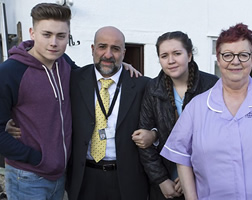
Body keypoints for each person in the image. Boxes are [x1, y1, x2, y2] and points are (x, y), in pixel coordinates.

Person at [160, 23, 252, 200]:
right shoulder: (197, 107)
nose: (235, 61)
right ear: (218, 59)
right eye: (227, 55)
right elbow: (182, 157)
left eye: (243, 55)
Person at [65, 26, 150, 200]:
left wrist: (154, 135)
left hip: (127, 181)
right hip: (83, 178)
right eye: (102, 46)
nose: (108, 54)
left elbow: (159, 122)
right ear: (93, 49)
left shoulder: (143, 85)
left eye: (116, 49)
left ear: (124, 53)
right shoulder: (73, 80)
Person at [132, 31, 218, 199]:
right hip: (164, 180)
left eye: (177, 53)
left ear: (190, 55)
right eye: (164, 56)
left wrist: (192, 174)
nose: (171, 61)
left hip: (204, 179)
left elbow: (219, 137)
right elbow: (144, 140)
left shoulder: (211, 86)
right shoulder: (153, 88)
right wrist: (161, 179)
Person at [0, 3, 74, 199]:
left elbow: (90, 78)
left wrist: (120, 65)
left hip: (59, 176)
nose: (54, 43)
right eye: (47, 34)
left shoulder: (64, 63)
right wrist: (36, 158)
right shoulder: (10, 71)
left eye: (61, 36)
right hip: (27, 177)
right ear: (32, 33)